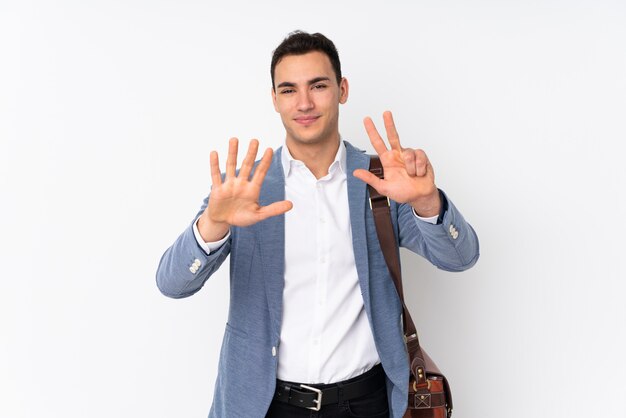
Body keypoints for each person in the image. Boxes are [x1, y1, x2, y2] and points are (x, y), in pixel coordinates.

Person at [156, 31, 479, 418]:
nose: (304, 103)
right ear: (274, 99)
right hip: (266, 405)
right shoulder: (248, 189)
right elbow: (172, 284)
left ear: (342, 90)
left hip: (365, 403)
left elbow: (460, 258)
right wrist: (212, 223)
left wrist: (428, 201)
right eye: (289, 90)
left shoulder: (380, 182)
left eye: (318, 85)